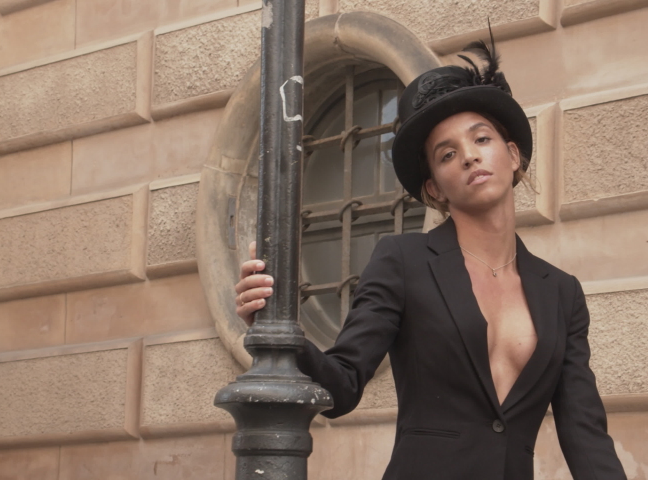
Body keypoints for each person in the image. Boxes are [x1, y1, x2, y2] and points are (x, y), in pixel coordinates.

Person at [235, 37, 626, 480]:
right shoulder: (403, 260)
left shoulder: (561, 292)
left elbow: (584, 431)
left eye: (482, 138)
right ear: (435, 188)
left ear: (513, 155)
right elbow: (342, 387)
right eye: (447, 154)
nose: (470, 156)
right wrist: (279, 326)